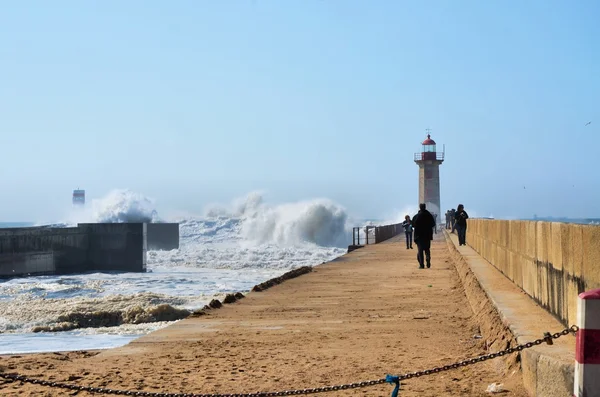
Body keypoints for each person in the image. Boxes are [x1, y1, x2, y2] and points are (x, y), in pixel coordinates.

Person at [412, 203, 436, 269]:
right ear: (425, 207)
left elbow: (413, 225)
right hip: (427, 236)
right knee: (427, 249)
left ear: (420, 207)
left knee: (420, 251)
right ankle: (428, 258)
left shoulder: (416, 216)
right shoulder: (429, 215)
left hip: (419, 236)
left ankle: (421, 265)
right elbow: (433, 224)